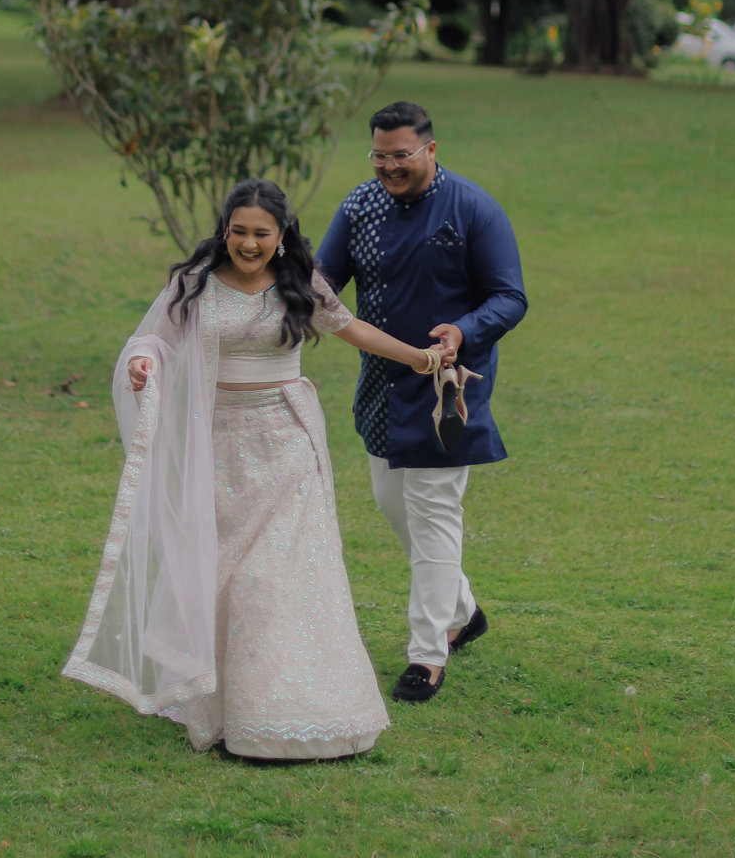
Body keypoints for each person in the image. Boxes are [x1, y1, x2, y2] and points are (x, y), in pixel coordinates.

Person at [62, 177, 447, 760]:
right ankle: (220, 705)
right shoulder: (193, 283)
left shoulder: (300, 281)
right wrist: (142, 364)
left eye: (261, 233)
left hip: (286, 441)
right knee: (222, 574)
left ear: (281, 234)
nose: (248, 243)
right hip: (216, 443)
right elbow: (153, 341)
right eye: (238, 231)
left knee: (272, 577)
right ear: (224, 231)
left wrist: (419, 358)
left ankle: (287, 712)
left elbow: (351, 328)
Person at [316, 101, 527, 704]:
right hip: (381, 386)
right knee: (394, 505)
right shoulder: (360, 206)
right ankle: (464, 610)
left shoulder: (474, 209)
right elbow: (323, 281)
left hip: (446, 389)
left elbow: (509, 297)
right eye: (379, 155)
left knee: (433, 514)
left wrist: (464, 329)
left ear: (430, 150)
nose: (389, 166)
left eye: (401, 155)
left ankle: (428, 654)